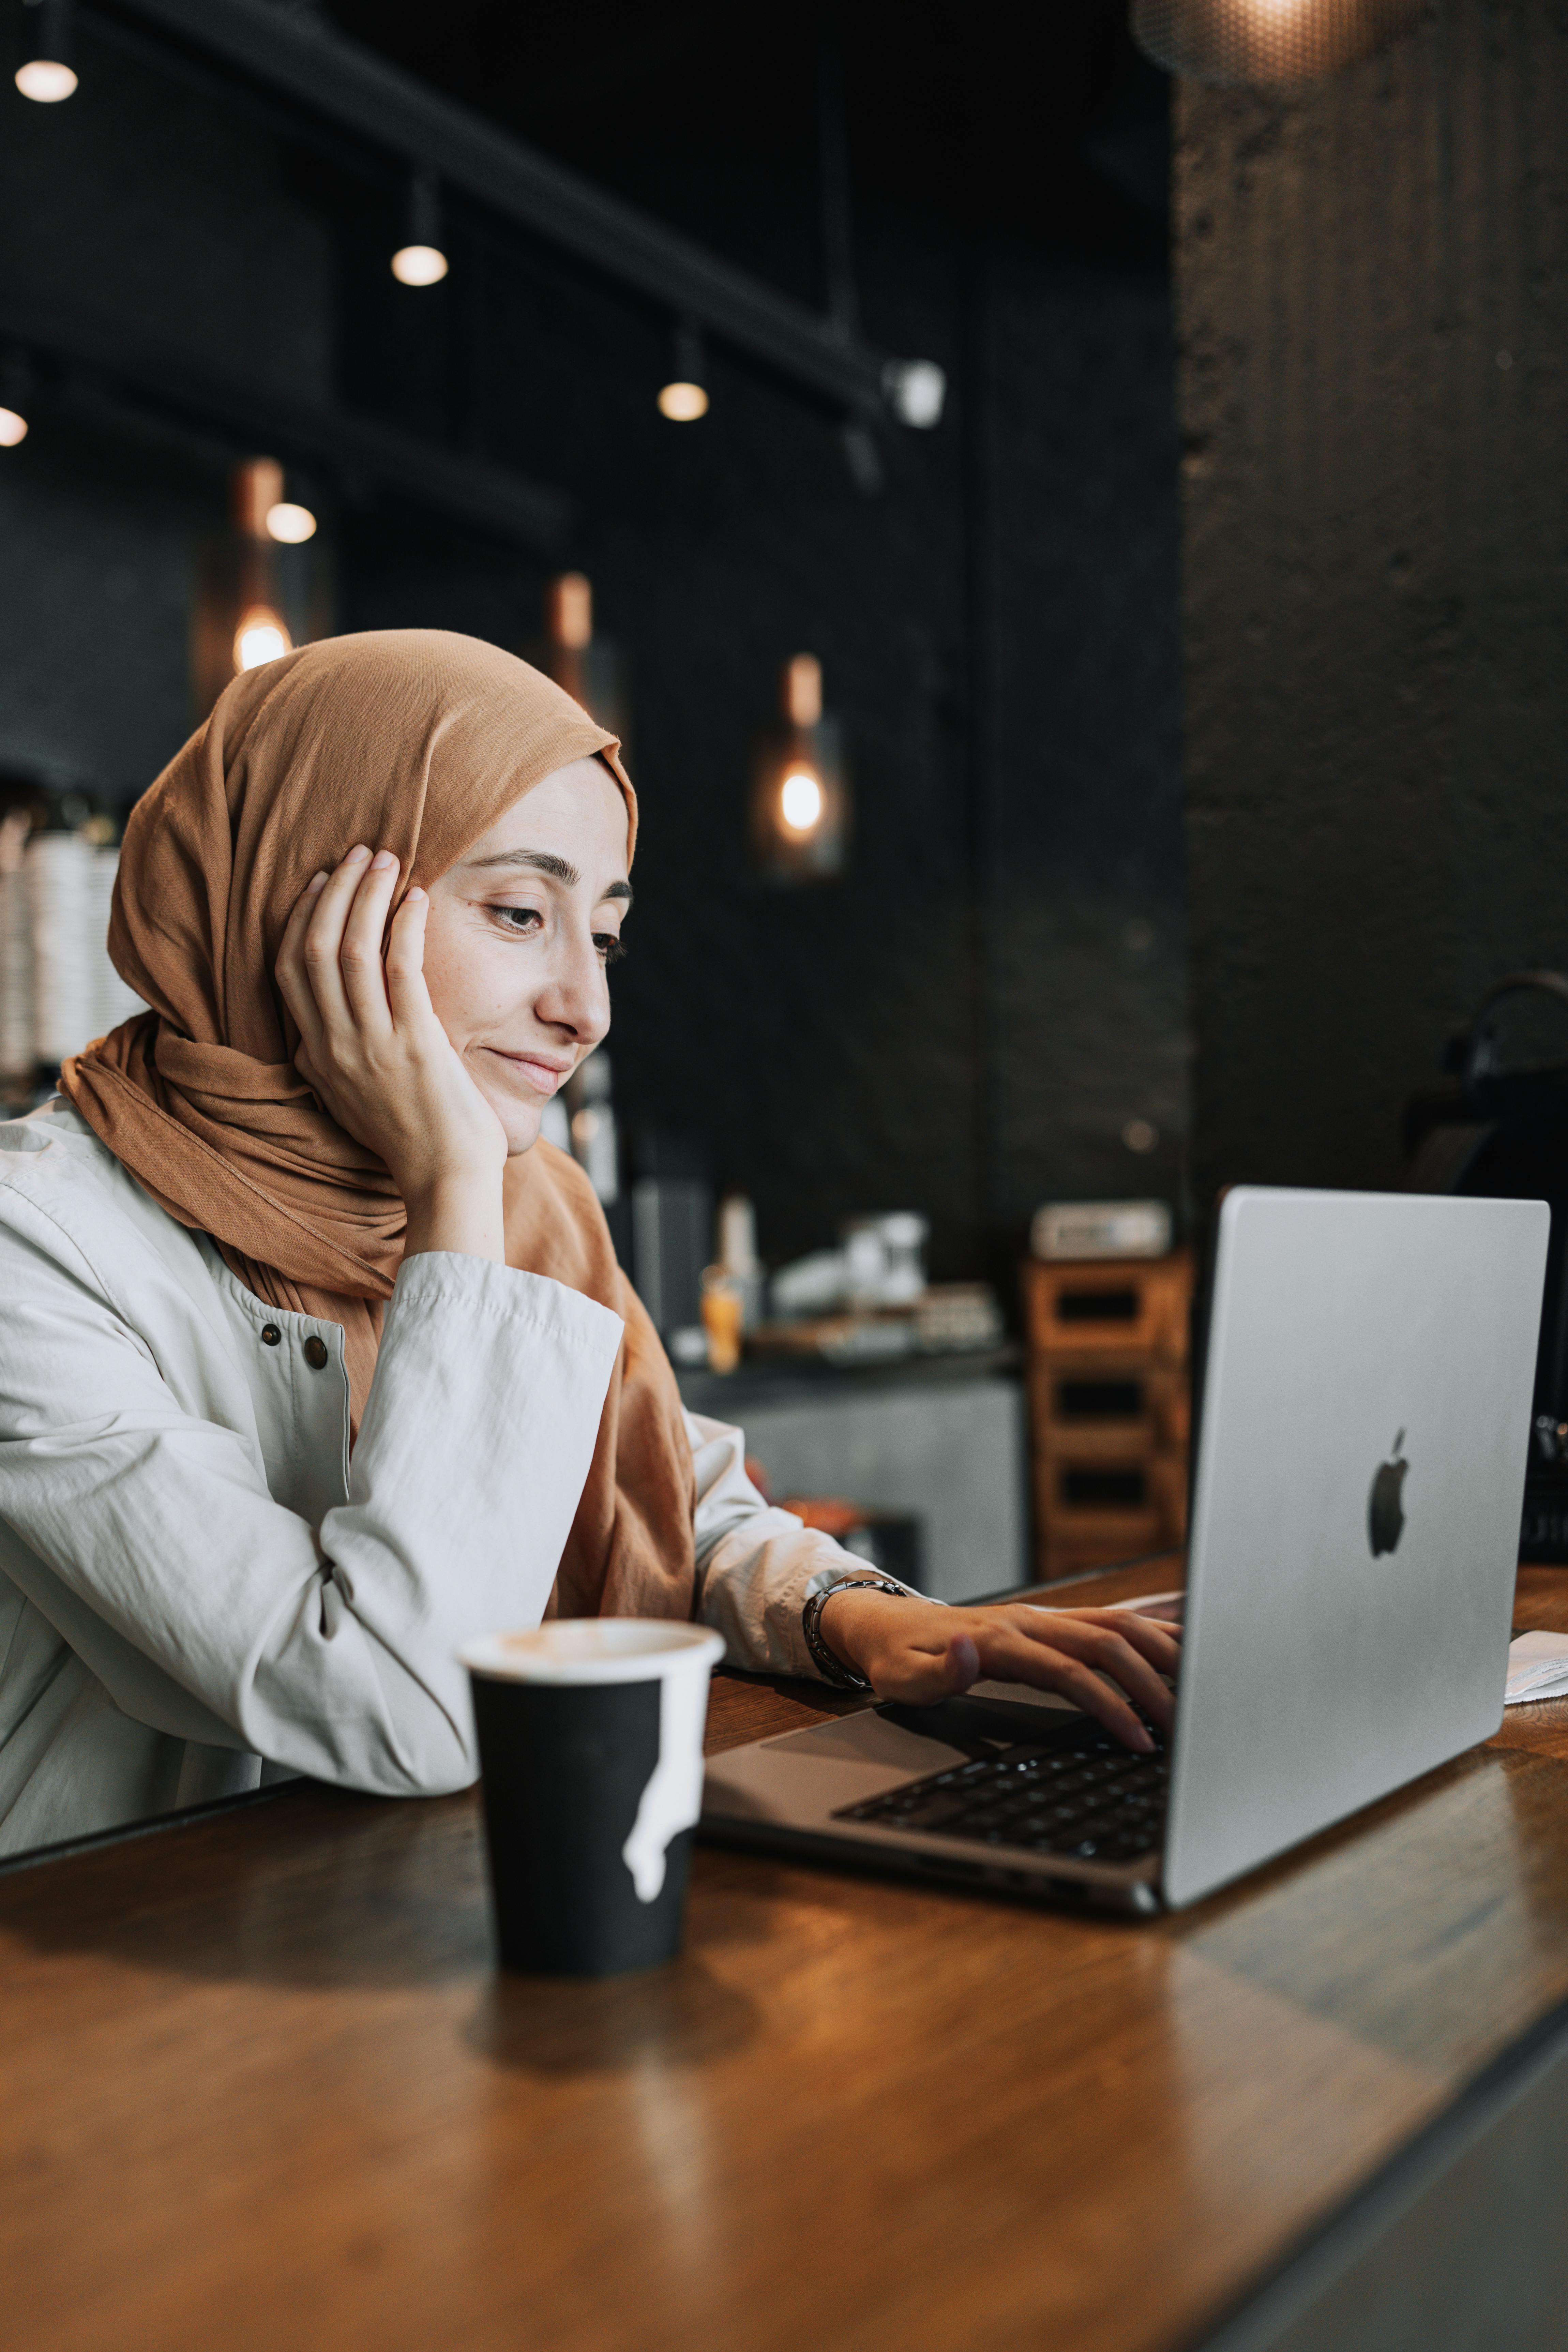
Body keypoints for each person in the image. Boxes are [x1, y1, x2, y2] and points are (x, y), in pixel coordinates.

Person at [0, 631, 1179, 1855]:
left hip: (416, 1911)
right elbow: (404, 1703)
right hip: (116, 1982)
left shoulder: (530, 1199)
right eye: (520, 912)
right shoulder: (34, 1250)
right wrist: (453, 1188)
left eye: (604, 935)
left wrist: (866, 1618)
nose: (587, 1008)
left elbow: (670, 1496)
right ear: (302, 903)